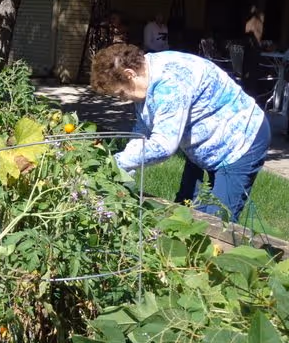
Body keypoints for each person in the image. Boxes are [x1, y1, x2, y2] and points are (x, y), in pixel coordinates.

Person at [91, 44, 270, 222]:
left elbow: (163, 146)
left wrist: (116, 163)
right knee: (185, 211)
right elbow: (143, 129)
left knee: (217, 221)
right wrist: (125, 166)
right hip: (202, 144)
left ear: (130, 74)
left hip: (239, 142)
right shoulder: (146, 76)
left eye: (121, 94)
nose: (123, 99)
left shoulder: (170, 82)